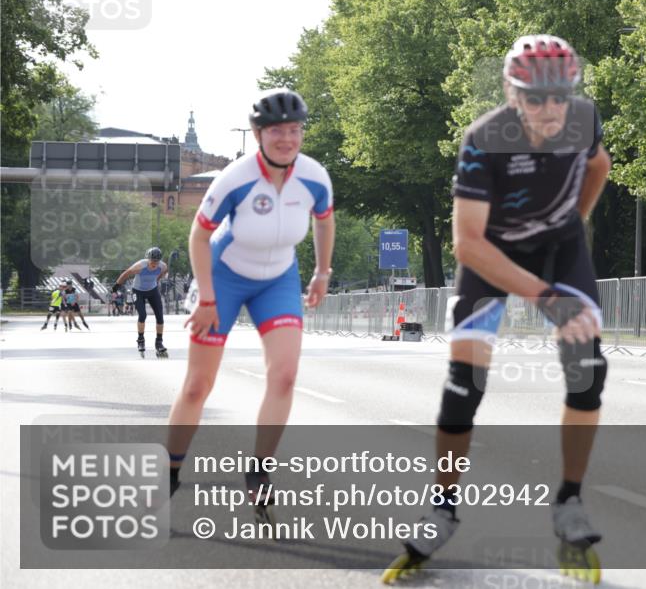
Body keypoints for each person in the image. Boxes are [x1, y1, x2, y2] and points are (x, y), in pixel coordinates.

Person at [384, 35, 612, 583]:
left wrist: (573, 222)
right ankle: (441, 507)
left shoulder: (584, 120)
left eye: (560, 96)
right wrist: (545, 297)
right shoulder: (485, 139)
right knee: (463, 385)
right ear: (513, 94)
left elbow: (599, 165)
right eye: (535, 99)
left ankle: (569, 501)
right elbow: (467, 244)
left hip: (559, 249)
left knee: (587, 371)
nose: (550, 110)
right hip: (491, 253)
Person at [164, 88, 334, 521]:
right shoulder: (236, 178)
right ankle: (170, 470)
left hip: (277, 278)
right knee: (198, 385)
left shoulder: (314, 176)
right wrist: (206, 298)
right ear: (258, 133)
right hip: (225, 275)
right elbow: (199, 236)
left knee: (285, 375)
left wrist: (322, 271)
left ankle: (259, 471)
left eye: (294, 130)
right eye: (277, 130)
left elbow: (325, 219)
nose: (287, 139)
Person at [116, 248, 169, 356]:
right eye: (152, 261)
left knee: (160, 316)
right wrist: (116, 286)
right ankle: (141, 340)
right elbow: (126, 273)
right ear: (147, 259)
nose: (154, 263)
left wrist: (155, 281)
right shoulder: (140, 266)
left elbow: (162, 273)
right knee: (142, 315)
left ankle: (159, 342)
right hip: (138, 291)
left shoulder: (163, 266)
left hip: (152, 291)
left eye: (156, 261)